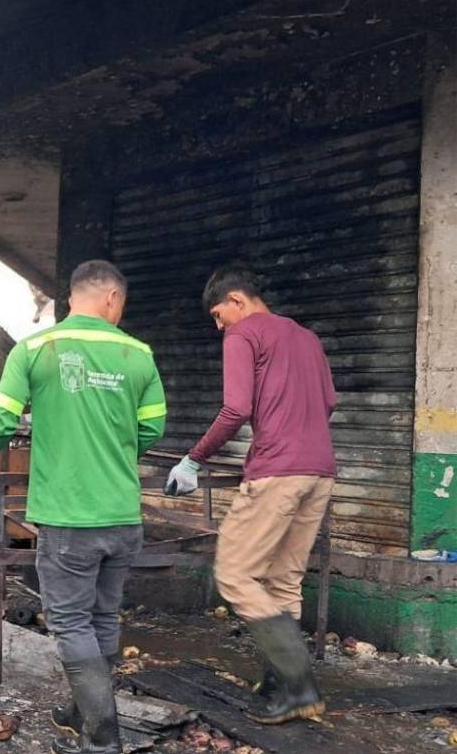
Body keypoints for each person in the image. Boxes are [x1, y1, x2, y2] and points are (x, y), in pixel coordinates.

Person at [0, 261, 166, 754]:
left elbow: (0, 418)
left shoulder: (36, 349)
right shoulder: (139, 354)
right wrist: (113, 456)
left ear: (75, 297)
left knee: (72, 624)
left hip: (68, 518)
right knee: (103, 616)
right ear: (113, 299)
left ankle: (102, 739)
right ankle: (80, 710)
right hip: (122, 514)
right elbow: (153, 428)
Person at [165, 266, 335, 725]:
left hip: (277, 471)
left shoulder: (243, 334)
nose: (219, 326)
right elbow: (329, 403)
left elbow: (236, 408)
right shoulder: (306, 338)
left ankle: (299, 684)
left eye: (219, 315)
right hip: (320, 473)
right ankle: (279, 683)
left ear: (237, 301)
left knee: (236, 574)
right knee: (283, 580)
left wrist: (193, 459)